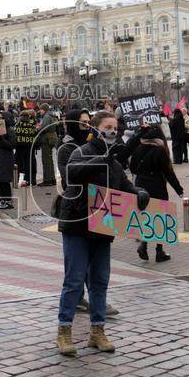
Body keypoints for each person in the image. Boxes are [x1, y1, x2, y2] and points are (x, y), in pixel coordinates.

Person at [55, 111, 149, 356]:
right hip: (77, 226)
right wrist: (102, 161)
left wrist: (139, 191)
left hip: (103, 229)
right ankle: (64, 331)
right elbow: (71, 174)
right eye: (107, 126)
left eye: (115, 127)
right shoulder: (80, 152)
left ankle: (98, 331)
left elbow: (125, 186)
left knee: (99, 281)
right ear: (96, 129)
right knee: (74, 280)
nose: (112, 131)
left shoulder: (115, 162)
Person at [129, 122, 184, 263]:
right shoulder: (160, 150)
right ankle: (159, 251)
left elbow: (132, 168)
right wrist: (179, 190)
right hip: (157, 186)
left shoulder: (138, 148)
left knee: (146, 216)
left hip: (140, 186)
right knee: (160, 217)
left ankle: (144, 245)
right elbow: (168, 172)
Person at [13, 109, 39, 187]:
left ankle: (15, 181)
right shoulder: (32, 127)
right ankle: (28, 180)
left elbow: (14, 137)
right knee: (29, 165)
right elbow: (36, 137)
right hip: (29, 148)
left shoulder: (17, 126)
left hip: (19, 148)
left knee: (17, 164)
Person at [38, 105, 58, 186]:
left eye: (41, 109)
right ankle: (52, 179)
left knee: (46, 160)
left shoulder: (46, 116)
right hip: (51, 139)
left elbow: (44, 127)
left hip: (46, 139)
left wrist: (37, 128)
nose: (40, 111)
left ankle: (47, 180)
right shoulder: (51, 115)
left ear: (44, 110)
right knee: (50, 160)